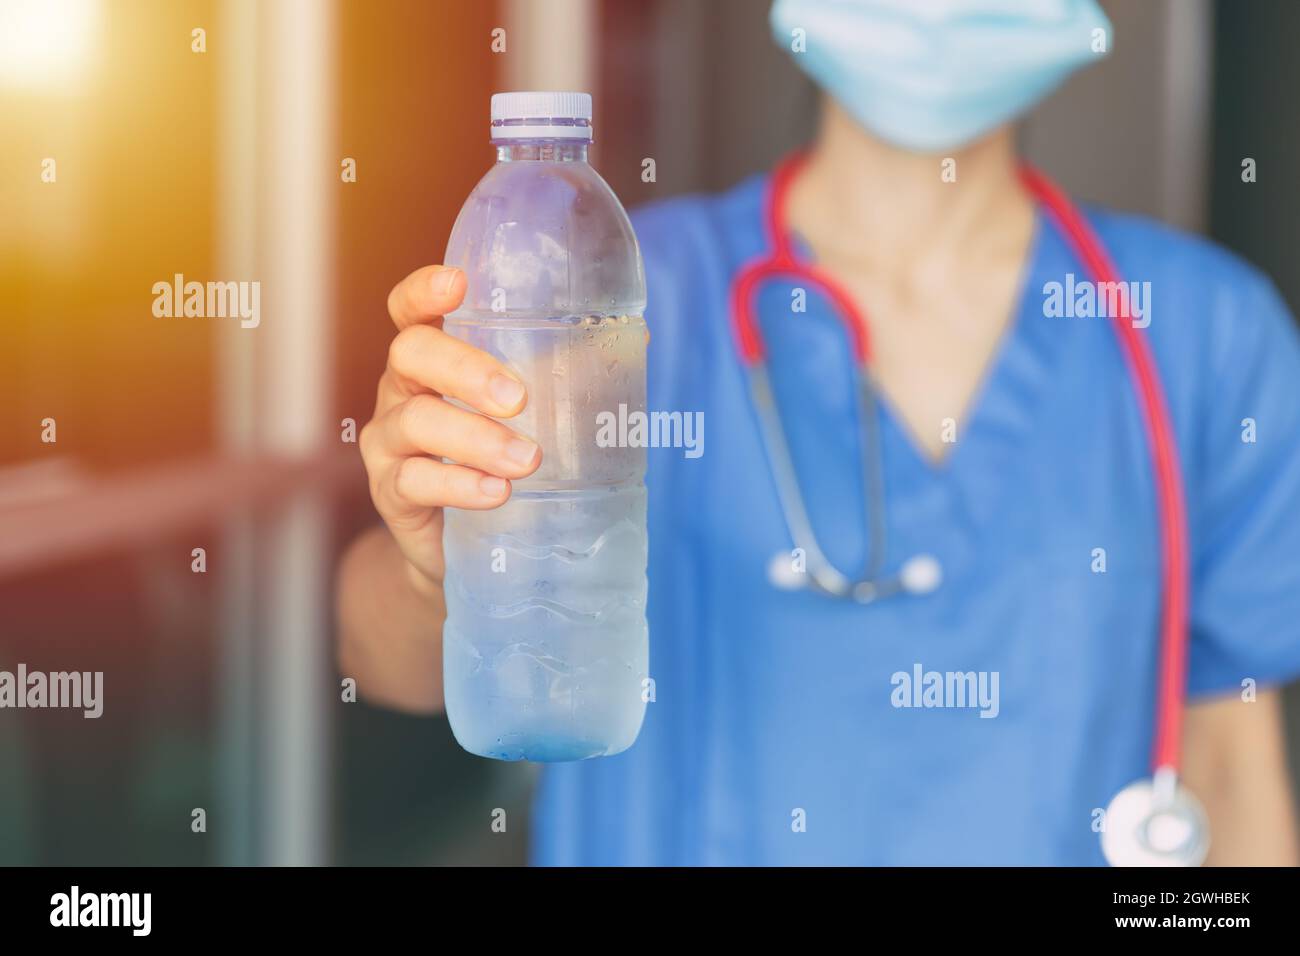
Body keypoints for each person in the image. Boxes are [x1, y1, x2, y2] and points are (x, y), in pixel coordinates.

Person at [337, 0, 1300, 865]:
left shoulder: (1201, 330)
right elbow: (381, 659)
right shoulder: (614, 292)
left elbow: (1230, 766)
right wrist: (438, 570)